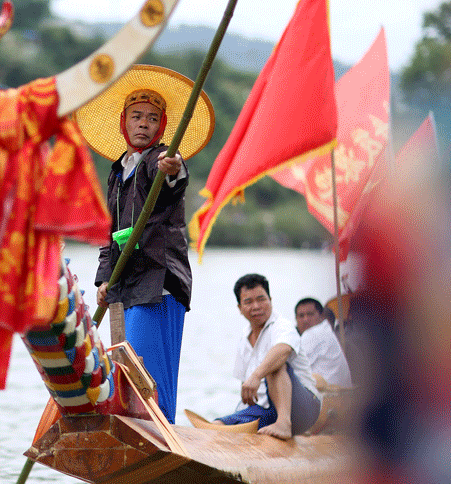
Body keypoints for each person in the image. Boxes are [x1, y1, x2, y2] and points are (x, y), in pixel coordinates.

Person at [82, 65, 214, 424]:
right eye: (137, 116)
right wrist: (103, 279)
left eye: (153, 118)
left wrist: (173, 170)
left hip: (159, 281)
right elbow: (110, 234)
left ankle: (161, 441)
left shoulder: (162, 161)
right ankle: (138, 437)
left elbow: (175, 177)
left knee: (149, 373)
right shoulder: (116, 171)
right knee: (123, 372)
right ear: (124, 123)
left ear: (163, 125)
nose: (144, 123)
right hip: (125, 284)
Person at [214, 274, 322, 439]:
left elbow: (283, 349)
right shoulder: (244, 337)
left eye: (261, 299)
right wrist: (240, 416)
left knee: (274, 365)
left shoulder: (282, 325)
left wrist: (257, 375)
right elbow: (245, 386)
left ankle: (284, 423)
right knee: (218, 425)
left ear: (270, 300)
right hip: (267, 409)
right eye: (248, 302)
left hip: (304, 407)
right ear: (239, 307)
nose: (256, 306)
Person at [294, 297, 353, 389]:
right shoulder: (324, 331)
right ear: (296, 319)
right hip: (336, 393)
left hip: (331, 396)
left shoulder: (314, 333)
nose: (305, 320)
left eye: (310, 314)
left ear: (321, 316)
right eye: (301, 316)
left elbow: (292, 366)